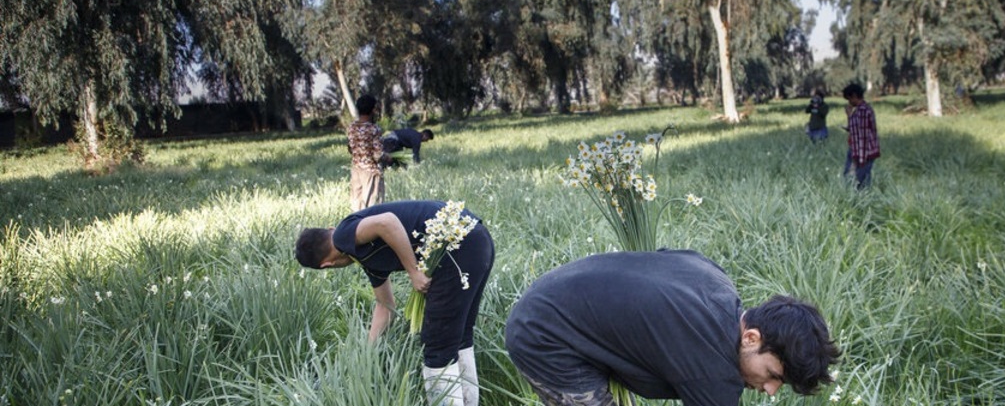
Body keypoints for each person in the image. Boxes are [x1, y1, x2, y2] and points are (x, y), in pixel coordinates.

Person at [505, 249, 840, 406]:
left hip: (556, 296)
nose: (769, 391)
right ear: (752, 337)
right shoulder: (712, 367)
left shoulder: (717, 283)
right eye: (772, 375)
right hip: (544, 335)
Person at [295, 200, 495, 406]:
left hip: (457, 245)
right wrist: (367, 351)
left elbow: (387, 222)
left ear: (326, 265)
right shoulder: (364, 255)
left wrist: (413, 272)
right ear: (328, 228)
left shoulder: (341, 236)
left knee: (437, 345)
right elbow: (385, 306)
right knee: (458, 337)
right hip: (475, 237)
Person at [347, 95, 388, 210]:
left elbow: (350, 148)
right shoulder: (374, 129)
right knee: (372, 207)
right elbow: (377, 155)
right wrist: (388, 157)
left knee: (357, 207)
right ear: (373, 110)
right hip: (370, 171)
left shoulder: (351, 127)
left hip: (356, 169)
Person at [841, 83, 880, 189]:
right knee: (861, 176)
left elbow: (862, 136)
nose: (849, 102)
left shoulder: (862, 111)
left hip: (863, 151)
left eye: (849, 99)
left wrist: (861, 158)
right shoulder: (861, 110)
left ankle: (860, 199)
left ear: (854, 96)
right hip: (859, 149)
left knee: (860, 179)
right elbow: (856, 129)